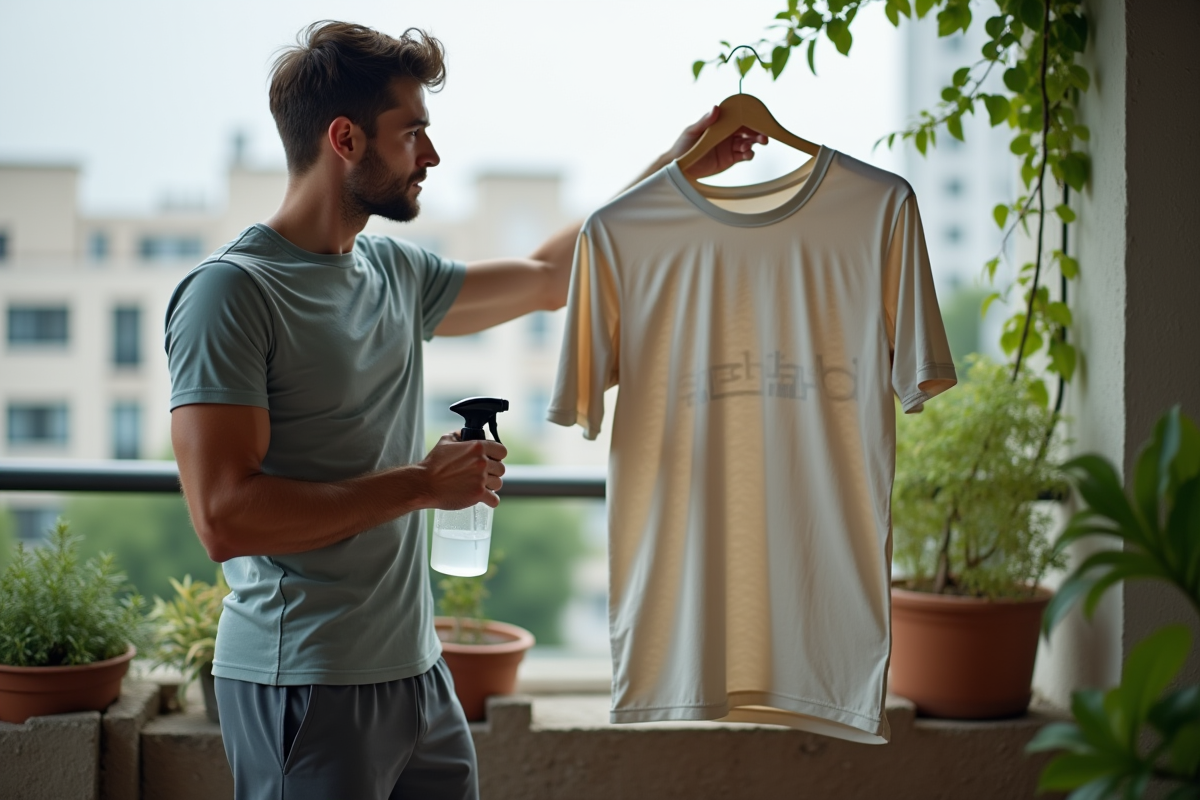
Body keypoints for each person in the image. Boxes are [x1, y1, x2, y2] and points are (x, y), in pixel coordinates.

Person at [165, 20, 765, 800]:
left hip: (418, 677)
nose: (432, 156)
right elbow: (226, 517)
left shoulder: (392, 272)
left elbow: (553, 277)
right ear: (344, 139)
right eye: (412, 133)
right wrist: (421, 486)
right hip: (305, 684)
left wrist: (677, 171)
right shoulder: (232, 293)